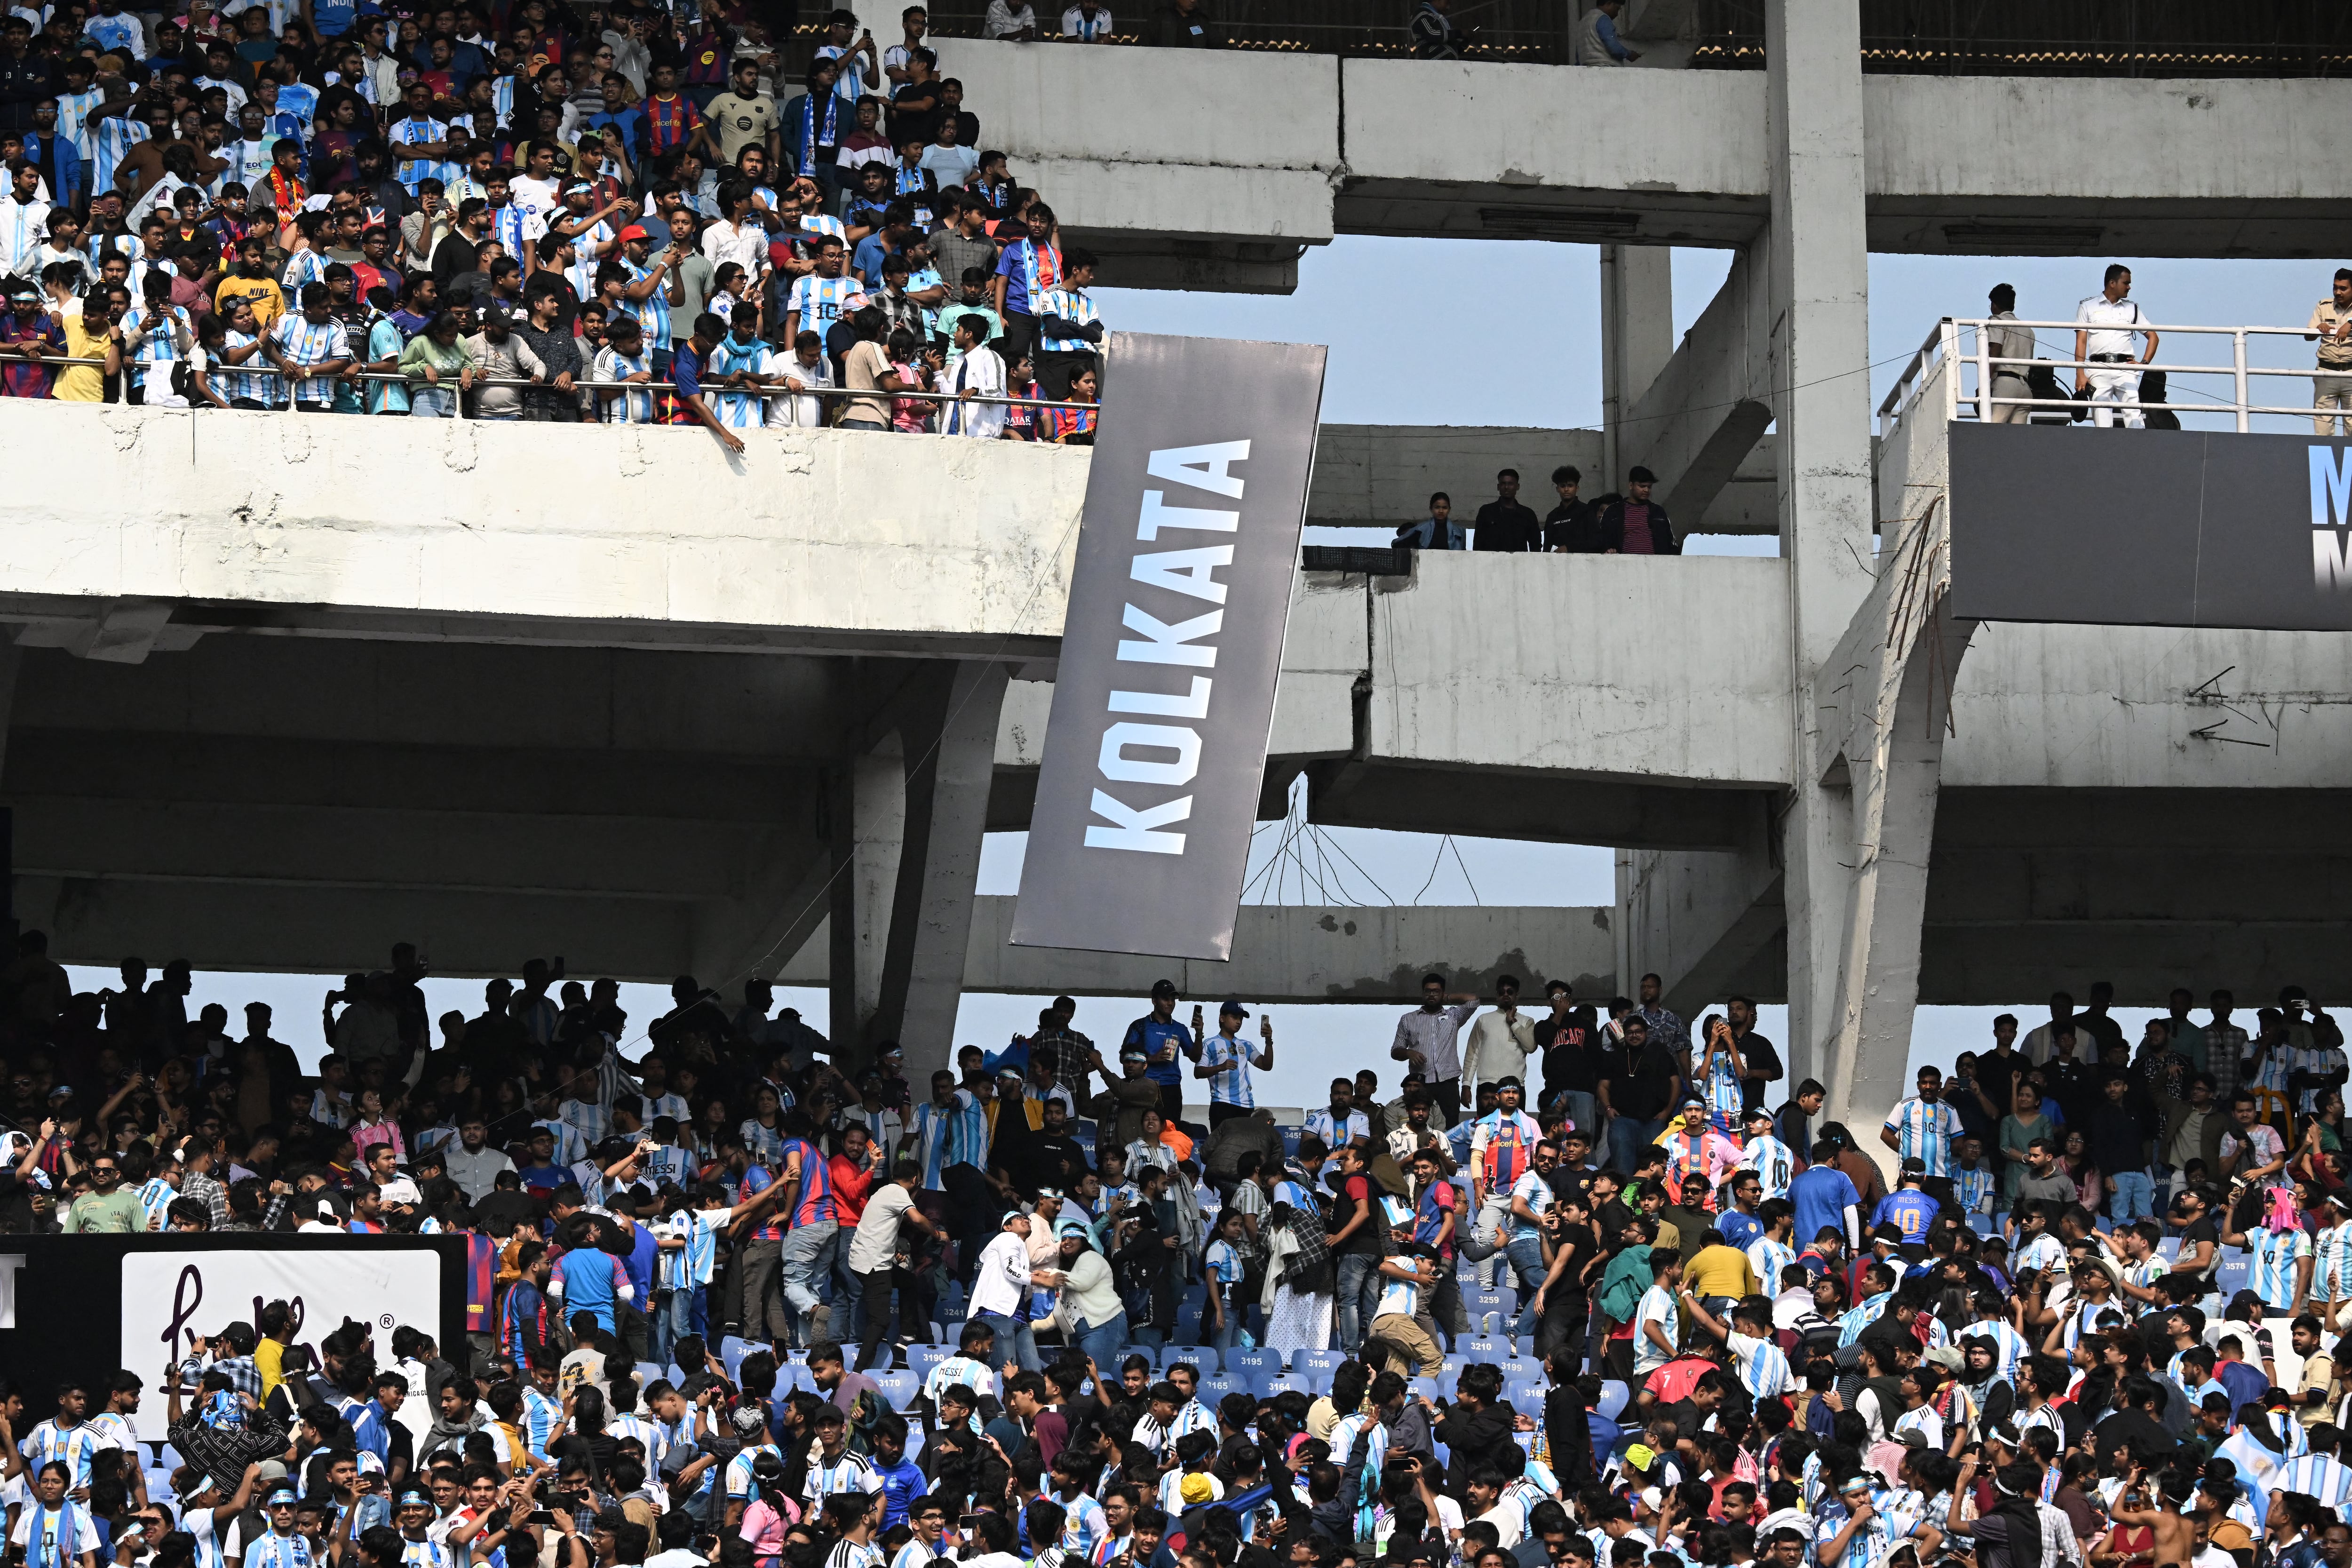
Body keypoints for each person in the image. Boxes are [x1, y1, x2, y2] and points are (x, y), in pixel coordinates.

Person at [2074, 263, 2157, 430]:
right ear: (2113, 283)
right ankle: (2105, 452)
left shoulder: (2132, 309)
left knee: (2134, 415)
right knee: (2101, 415)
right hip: (2098, 367)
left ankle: (2139, 450)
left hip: (2126, 368)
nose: (2129, 287)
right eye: (2126, 283)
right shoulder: (2088, 306)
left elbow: (2153, 337)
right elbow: (2081, 342)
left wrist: (2144, 363)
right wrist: (2080, 374)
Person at [1983, 282, 2036, 423]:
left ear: (1994, 305)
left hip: (2005, 383)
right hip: (2025, 388)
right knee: (2016, 439)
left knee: (1992, 431)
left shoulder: (1997, 321)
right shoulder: (2028, 330)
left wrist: (1984, 382)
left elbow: (1995, 350)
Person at [2309, 268, 2352, 437]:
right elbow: (2308, 336)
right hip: (2326, 372)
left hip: (2351, 372)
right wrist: (2319, 328)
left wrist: (2350, 323)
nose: (2338, 292)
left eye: (2343, 288)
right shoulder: (2323, 306)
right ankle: (2325, 461)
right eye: (2335, 288)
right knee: (2323, 425)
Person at [1398, 492, 1466, 551]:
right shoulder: (1421, 529)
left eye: (1445, 508)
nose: (1441, 511)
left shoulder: (1460, 531)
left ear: (1449, 509)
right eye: (1437, 507)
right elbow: (1397, 543)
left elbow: (1463, 556)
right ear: (1431, 509)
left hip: (1452, 565)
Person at [1577, 0, 1639, 64]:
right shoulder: (1603, 18)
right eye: (1617, 9)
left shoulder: (1582, 23)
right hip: (1606, 68)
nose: (1617, 14)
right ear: (1609, 3)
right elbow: (1614, 48)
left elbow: (1578, 57)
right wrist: (1630, 54)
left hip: (1586, 71)